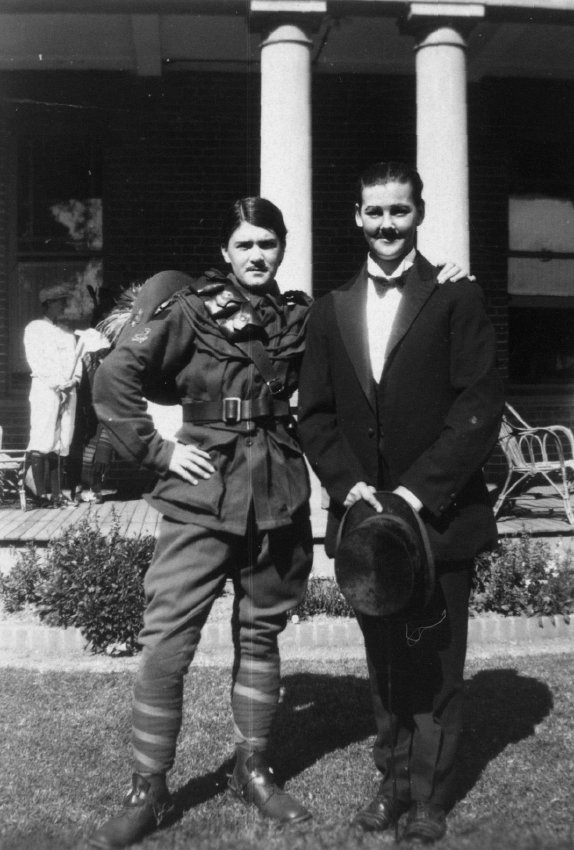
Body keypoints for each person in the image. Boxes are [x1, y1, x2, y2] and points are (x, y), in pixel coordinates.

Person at [88, 198, 314, 849]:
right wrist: (159, 451)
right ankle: (149, 788)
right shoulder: (188, 310)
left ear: (281, 248)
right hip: (201, 498)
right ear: (226, 251)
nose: (256, 255)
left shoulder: (297, 315)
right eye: (244, 244)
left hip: (277, 495)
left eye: (267, 244)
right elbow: (113, 381)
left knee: (261, 633)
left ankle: (253, 766)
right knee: (167, 643)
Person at [297, 162, 505, 845]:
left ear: (419, 213)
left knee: (436, 662)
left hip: (436, 516)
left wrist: (417, 491)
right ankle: (392, 783)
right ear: (356, 217)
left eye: (400, 211)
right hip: (365, 525)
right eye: (375, 212)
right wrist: (345, 486)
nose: (387, 224)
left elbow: (477, 407)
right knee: (386, 662)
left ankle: (429, 797)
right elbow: (316, 415)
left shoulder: (456, 298)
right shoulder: (330, 310)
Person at [23, 283, 82, 508]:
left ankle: (56, 495)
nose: (63, 306)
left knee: (61, 441)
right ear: (47, 304)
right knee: (42, 437)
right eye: (59, 302)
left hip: (67, 392)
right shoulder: (35, 329)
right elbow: (37, 361)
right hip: (46, 390)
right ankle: (38, 495)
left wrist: (72, 381)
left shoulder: (66, 332)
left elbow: (76, 363)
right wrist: (57, 384)